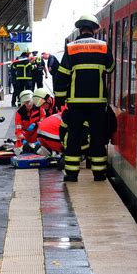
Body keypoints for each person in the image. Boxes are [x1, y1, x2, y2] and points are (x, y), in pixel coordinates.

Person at [54, 14, 114, 182]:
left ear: (80, 30)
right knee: (97, 137)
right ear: (94, 30)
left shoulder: (71, 47)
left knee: (74, 136)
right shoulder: (103, 46)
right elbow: (110, 68)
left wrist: (59, 98)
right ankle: (99, 174)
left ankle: (72, 174)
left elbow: (63, 74)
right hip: (97, 102)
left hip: (76, 103)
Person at [14, 90, 46, 155]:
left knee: (43, 151)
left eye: (29, 102)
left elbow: (44, 124)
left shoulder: (39, 109)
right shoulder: (19, 113)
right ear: (23, 103)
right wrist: (23, 140)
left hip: (37, 136)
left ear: (32, 100)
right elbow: (18, 130)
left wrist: (36, 124)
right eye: (26, 103)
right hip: (25, 137)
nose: (28, 104)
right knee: (18, 151)